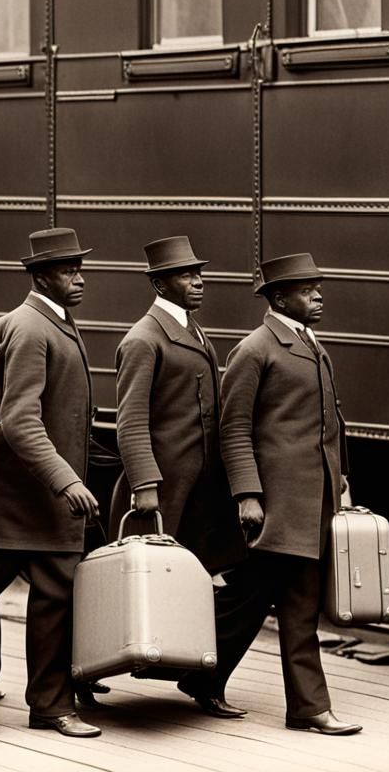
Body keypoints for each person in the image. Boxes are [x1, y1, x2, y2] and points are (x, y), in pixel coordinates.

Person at [0, 227, 101, 738]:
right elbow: (21, 420)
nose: (79, 279)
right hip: (30, 484)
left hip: (14, 479)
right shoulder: (34, 329)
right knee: (49, 588)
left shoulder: (17, 323)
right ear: (39, 277)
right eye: (67, 271)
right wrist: (65, 480)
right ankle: (50, 707)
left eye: (79, 268)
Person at [214, 253, 362, 735]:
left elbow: (329, 424)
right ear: (280, 298)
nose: (319, 296)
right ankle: (307, 707)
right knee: (285, 605)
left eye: (318, 288)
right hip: (277, 507)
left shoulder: (311, 343)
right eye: (307, 290)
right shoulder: (256, 349)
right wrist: (247, 495)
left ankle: (204, 678)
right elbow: (233, 427)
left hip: (310, 502)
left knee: (257, 600)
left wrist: (339, 478)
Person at [110, 236, 248, 718]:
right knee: (131, 589)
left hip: (205, 491)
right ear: (158, 282)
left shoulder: (192, 331)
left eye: (199, 273)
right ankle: (77, 675)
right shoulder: (143, 339)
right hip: (165, 492)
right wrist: (145, 487)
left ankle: (204, 678)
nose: (199, 281)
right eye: (187, 275)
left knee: (242, 579)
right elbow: (129, 420)